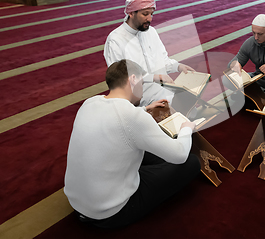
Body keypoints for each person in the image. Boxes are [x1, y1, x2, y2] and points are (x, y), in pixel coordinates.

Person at [64, 59, 200, 228]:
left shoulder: (89, 103)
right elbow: (179, 155)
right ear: (133, 80)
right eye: (142, 83)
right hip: (110, 213)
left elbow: (118, 118)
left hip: (76, 203)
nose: (142, 91)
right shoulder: (133, 117)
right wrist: (186, 127)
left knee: (141, 150)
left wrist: (144, 109)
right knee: (191, 162)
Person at [104, 0, 194, 107]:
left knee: (190, 104)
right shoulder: (115, 39)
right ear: (131, 13)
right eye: (145, 14)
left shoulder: (151, 32)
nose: (150, 19)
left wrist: (178, 66)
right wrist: (153, 77)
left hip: (164, 92)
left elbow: (162, 60)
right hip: (139, 101)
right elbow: (119, 78)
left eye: (151, 14)